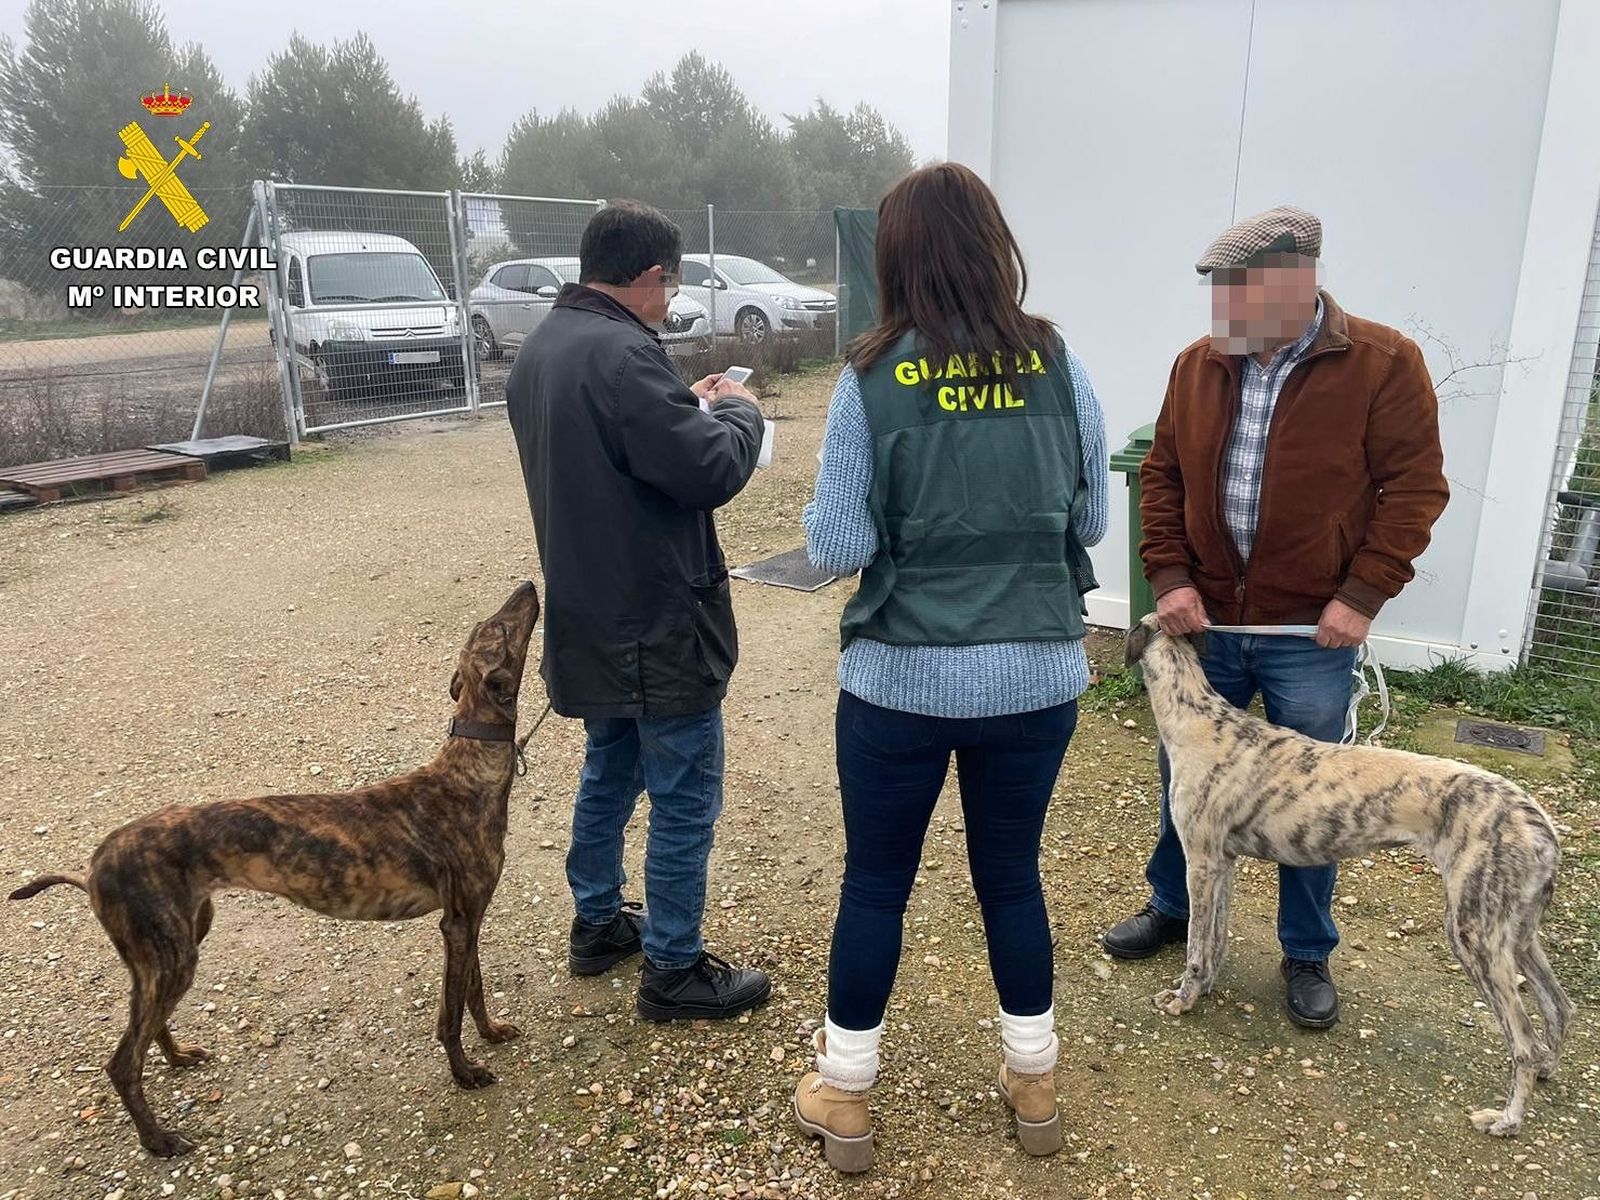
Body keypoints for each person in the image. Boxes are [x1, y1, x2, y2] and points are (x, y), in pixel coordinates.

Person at [792, 162, 1109, 1173]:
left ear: (895, 258)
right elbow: (1092, 520)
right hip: (1035, 677)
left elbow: (838, 544)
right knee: (1011, 880)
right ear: (991, 243)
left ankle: (846, 1095)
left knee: (876, 885)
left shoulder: (869, 377)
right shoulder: (1057, 362)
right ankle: (1034, 1080)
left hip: (901, 681)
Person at [1102, 205, 1449, 1030]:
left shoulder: (1384, 363)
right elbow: (1162, 477)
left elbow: (1415, 489)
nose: (1222, 310)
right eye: (1220, 292)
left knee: (1316, 802)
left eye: (1237, 291)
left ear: (1297, 281)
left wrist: (1361, 595)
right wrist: (1168, 576)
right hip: (1208, 627)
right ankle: (1173, 907)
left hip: (1309, 635)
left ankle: (1306, 950)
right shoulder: (1199, 364)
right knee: (1186, 779)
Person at [505, 200, 772, 1023]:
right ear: (653, 275)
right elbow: (709, 469)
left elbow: (614, 444)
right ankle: (674, 967)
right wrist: (740, 410)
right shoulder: (626, 355)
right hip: (656, 621)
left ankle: (596, 923)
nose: (671, 299)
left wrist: (678, 402)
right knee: (684, 795)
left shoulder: (543, 349)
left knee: (609, 770)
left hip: (587, 614)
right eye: (673, 285)